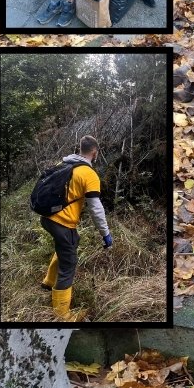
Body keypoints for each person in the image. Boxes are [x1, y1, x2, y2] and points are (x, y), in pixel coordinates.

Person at [39, 135, 112, 321]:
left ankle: (48, 282)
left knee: (69, 244)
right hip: (63, 223)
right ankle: (62, 314)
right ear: (94, 153)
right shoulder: (89, 174)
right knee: (68, 263)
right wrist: (106, 234)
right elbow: (96, 209)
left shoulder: (63, 164)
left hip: (47, 218)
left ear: (80, 149)